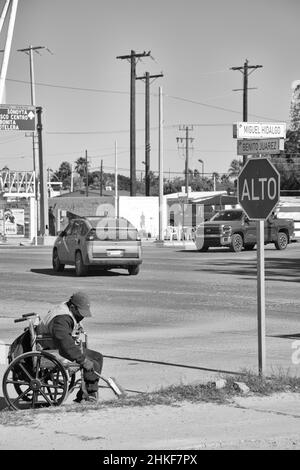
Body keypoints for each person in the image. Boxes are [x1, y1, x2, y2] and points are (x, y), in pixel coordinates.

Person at [37, 291, 103, 403]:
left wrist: (76, 325)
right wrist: (82, 360)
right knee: (92, 362)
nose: (82, 316)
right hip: (51, 350)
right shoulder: (61, 319)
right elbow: (64, 343)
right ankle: (89, 396)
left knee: (97, 357)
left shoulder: (67, 308)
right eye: (80, 313)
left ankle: (86, 393)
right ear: (72, 307)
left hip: (57, 346)